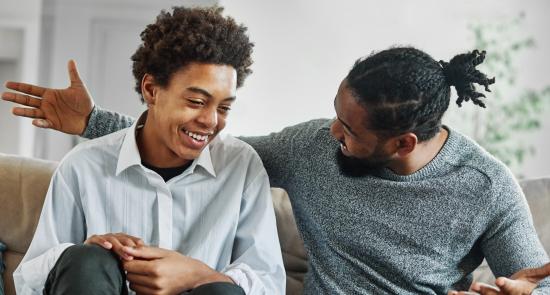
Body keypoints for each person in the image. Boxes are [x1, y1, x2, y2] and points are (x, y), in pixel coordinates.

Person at [3, 46, 550, 294]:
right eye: (336, 114)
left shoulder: (487, 187)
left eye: (349, 131)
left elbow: (530, 281)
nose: (331, 132)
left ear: (403, 142)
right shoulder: (313, 146)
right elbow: (205, 144)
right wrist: (93, 121)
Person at [5, 6, 286, 295]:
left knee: (222, 292)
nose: (211, 121)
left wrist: (194, 273)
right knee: (86, 260)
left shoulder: (241, 166)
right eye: (196, 102)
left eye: (224, 107)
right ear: (151, 90)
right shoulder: (82, 165)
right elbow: (31, 278)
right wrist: (85, 254)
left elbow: (268, 282)